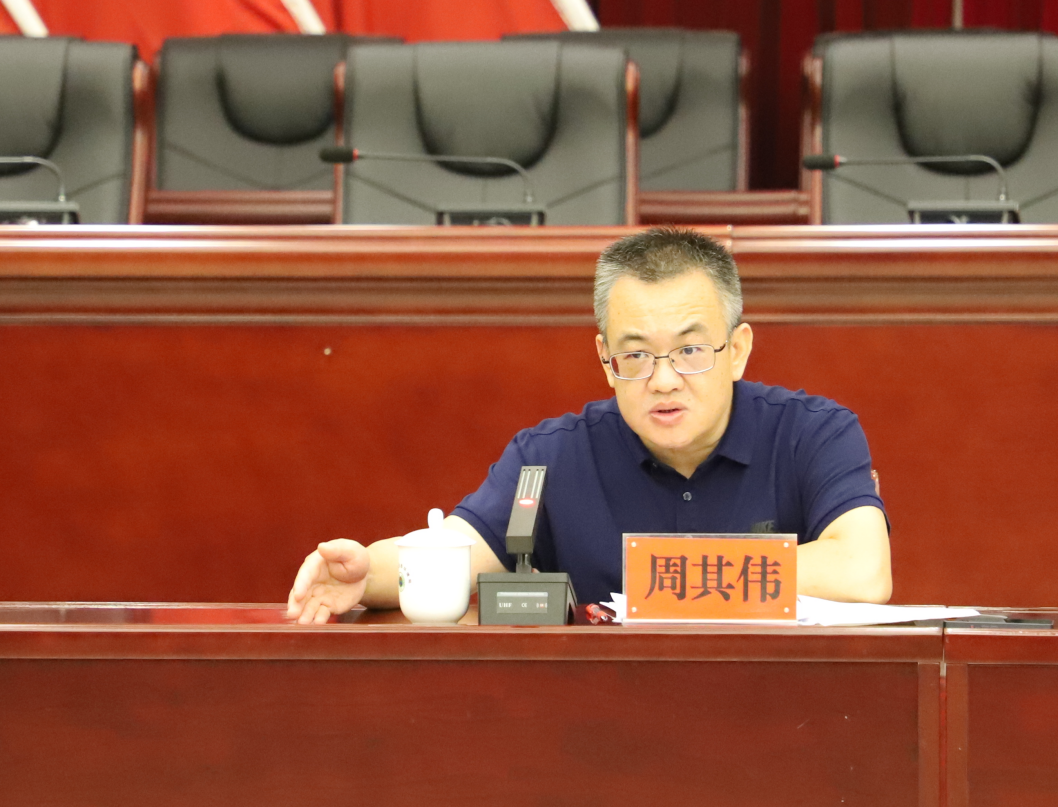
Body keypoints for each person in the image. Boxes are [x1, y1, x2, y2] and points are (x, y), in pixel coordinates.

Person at [288, 227, 891, 623]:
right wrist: (366, 573)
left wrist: (667, 574)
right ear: (605, 360)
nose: (663, 380)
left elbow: (864, 572)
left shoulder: (814, 434)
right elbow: (456, 550)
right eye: (636, 354)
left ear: (737, 351)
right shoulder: (552, 456)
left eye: (689, 351)